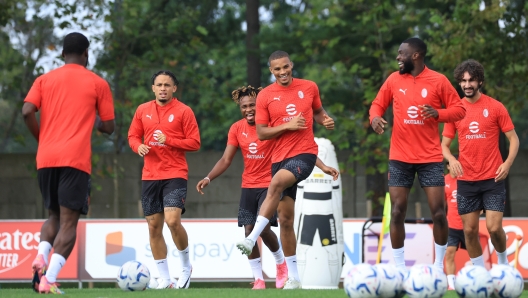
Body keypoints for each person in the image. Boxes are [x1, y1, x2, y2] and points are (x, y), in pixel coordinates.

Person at [22, 32, 115, 294]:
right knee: (68, 224)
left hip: (46, 158)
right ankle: (48, 279)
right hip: (75, 160)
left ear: (63, 54)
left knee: (52, 216)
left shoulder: (43, 79)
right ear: (87, 53)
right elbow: (109, 126)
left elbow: (27, 111)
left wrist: (42, 139)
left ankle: (41, 254)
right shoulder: (98, 83)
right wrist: (95, 119)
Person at [235, 50, 336, 290]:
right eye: (277, 69)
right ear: (271, 71)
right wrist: (288, 125)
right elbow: (261, 132)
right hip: (279, 159)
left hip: (305, 155)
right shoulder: (265, 96)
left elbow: (318, 112)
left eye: (285, 67)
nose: (282, 72)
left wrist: (326, 119)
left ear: (291, 65)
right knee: (287, 220)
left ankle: (251, 239)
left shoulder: (309, 87)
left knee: (276, 183)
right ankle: (294, 279)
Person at [369, 37, 466, 270]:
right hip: (399, 157)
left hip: (430, 159)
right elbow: (376, 105)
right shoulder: (393, 79)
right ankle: (400, 268)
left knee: (439, 213)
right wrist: (374, 118)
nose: (397, 58)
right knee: (397, 211)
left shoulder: (438, 81)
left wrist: (438, 114)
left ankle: (437, 266)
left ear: (416, 56)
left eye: (402, 54)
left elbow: (460, 110)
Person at [196, 85, 287, 290]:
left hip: (270, 185)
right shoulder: (236, 129)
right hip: (248, 186)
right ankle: (259, 279)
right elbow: (226, 159)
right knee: (248, 230)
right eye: (244, 106)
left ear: (260, 105)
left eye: (252, 105)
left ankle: (281, 265)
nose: (248, 109)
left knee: (262, 228)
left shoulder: (271, 124)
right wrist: (208, 178)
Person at [441, 59, 519, 269]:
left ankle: (503, 264)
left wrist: (508, 163)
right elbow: (444, 146)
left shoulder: (495, 107)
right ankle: (479, 271)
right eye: (463, 81)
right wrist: (452, 159)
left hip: (493, 179)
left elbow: (514, 139)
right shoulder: (455, 111)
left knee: (494, 228)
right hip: (467, 181)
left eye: (471, 80)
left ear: (480, 82)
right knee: (469, 232)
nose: (467, 85)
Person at [128, 70, 200, 289]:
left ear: (174, 88)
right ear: (153, 88)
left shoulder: (184, 111)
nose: (162, 88)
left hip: (175, 174)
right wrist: (137, 146)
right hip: (150, 176)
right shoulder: (142, 110)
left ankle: (186, 267)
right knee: (153, 227)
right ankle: (165, 279)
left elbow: (195, 143)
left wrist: (169, 140)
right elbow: (132, 136)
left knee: (172, 222)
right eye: (159, 85)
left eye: (167, 85)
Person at [444, 155, 465, 290]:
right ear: (448, 166)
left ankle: (479, 277)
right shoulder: (443, 181)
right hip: (451, 224)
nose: (455, 166)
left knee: (475, 252)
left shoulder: (465, 179)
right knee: (450, 252)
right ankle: (451, 284)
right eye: (452, 164)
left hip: (467, 224)